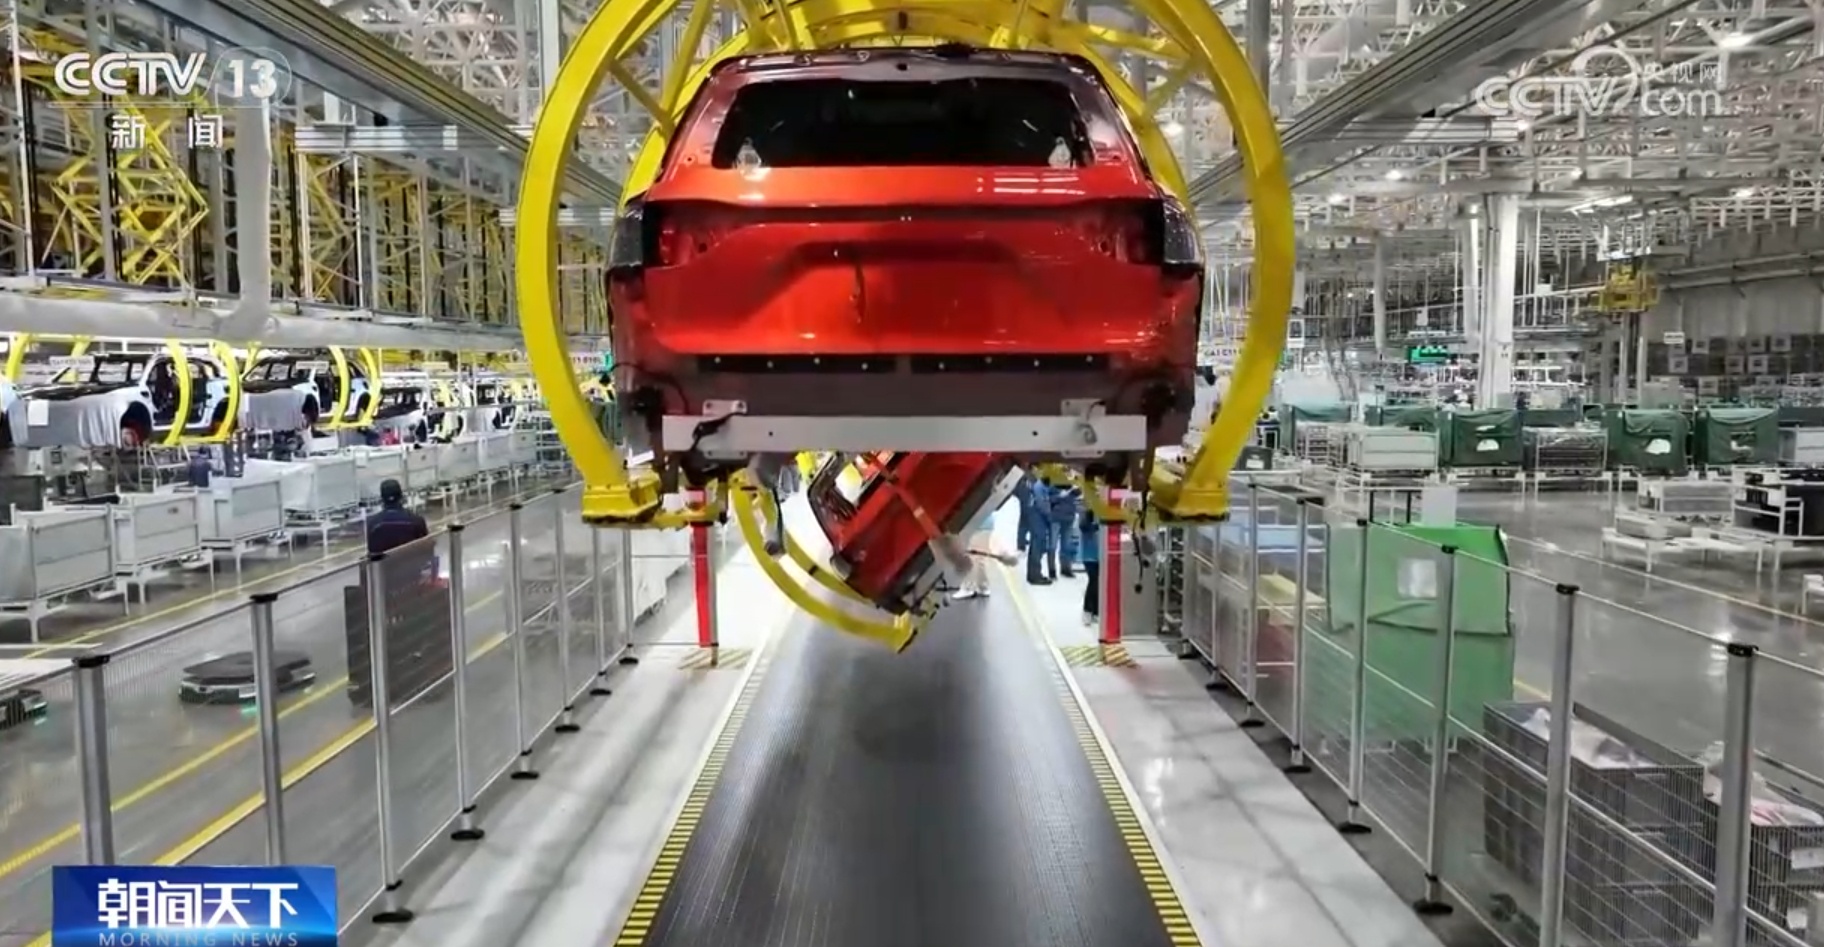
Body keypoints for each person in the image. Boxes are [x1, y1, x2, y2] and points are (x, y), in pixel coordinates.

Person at [1048, 480, 1082, 579]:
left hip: (1068, 518)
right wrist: (1060, 496)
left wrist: (1077, 487)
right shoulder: (1053, 485)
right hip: (1056, 518)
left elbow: (1078, 493)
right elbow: (1050, 499)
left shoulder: (1071, 483)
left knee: (1066, 545)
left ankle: (1066, 569)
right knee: (1052, 545)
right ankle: (1052, 570)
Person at [1024, 477, 1053, 585]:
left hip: (1037, 519)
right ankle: (1035, 575)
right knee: (1037, 548)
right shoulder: (1039, 487)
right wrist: (1050, 516)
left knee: (1036, 547)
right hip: (1038, 519)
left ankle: (1034, 574)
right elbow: (1042, 505)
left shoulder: (1040, 486)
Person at [1078, 508, 1102, 626]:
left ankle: (1096, 611)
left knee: (1098, 583)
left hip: (1100, 556)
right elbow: (1083, 526)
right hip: (1089, 556)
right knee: (1094, 581)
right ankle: (1088, 610)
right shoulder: (1088, 514)